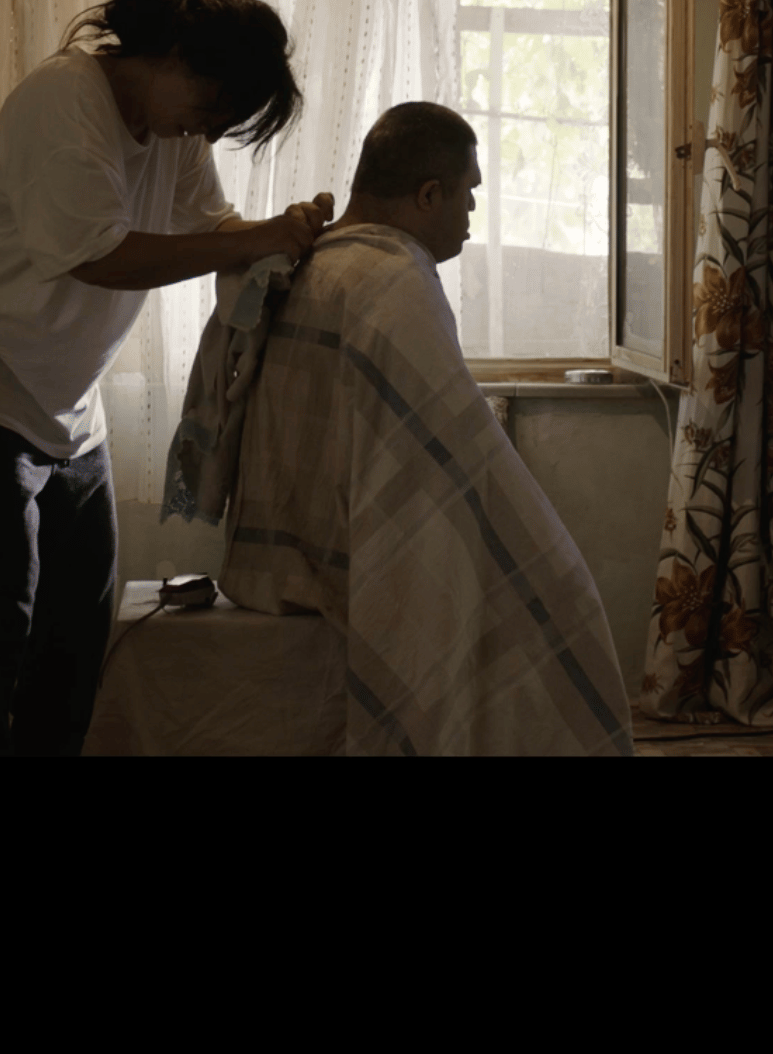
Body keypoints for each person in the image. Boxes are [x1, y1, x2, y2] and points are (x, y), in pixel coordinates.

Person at [0, 0, 331, 755]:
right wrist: (257, 239)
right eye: (213, 106)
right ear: (175, 57)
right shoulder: (66, 97)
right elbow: (98, 256)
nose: (210, 131)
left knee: (77, 635)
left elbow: (214, 229)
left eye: (225, 122)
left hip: (62, 400)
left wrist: (288, 235)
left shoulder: (174, 130)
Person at [213, 102, 632, 756]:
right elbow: (462, 464)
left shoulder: (315, 259)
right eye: (468, 193)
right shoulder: (393, 278)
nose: (472, 211)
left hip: (274, 558)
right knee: (560, 596)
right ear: (429, 195)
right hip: (337, 566)